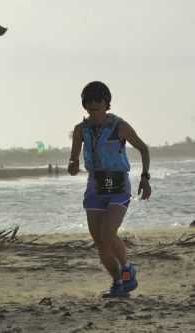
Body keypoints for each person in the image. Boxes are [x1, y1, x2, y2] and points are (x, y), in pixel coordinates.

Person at [68, 81, 151, 298]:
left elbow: (143, 148)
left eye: (99, 102)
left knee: (108, 233)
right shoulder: (80, 130)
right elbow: (73, 160)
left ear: (107, 104)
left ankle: (126, 272)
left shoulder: (119, 126)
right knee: (100, 240)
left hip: (118, 186)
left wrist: (145, 178)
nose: (94, 107)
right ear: (84, 105)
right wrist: (72, 166)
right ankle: (119, 281)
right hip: (95, 186)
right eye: (89, 103)